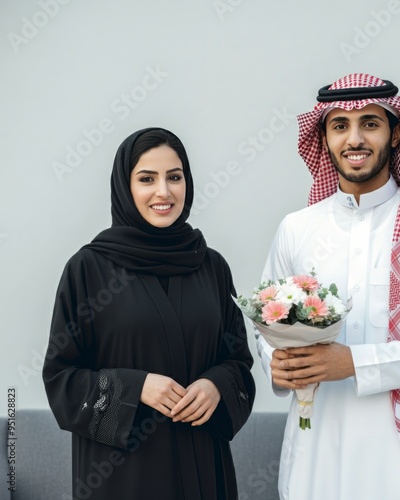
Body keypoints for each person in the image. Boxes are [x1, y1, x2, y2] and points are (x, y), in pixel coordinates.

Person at [256, 74, 400, 499]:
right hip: (319, 438)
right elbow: (266, 323)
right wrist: (276, 362)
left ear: (397, 133)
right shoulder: (297, 228)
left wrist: (355, 365)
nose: (354, 139)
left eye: (370, 124)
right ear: (323, 138)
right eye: (339, 125)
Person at [43, 127, 255, 499]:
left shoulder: (211, 267)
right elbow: (62, 380)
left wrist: (216, 385)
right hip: (122, 477)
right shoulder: (89, 270)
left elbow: (237, 360)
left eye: (175, 177)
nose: (164, 192)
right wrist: (136, 387)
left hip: (204, 467)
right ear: (125, 188)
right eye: (146, 179)